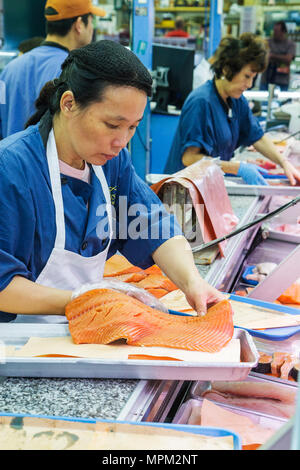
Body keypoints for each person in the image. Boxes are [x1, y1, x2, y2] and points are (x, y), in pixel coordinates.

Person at [0, 40, 224, 323]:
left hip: (85, 333)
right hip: (18, 348)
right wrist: (82, 299)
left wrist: (193, 282)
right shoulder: (11, 167)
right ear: (68, 104)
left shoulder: (110, 163)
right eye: (112, 125)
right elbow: (2, 285)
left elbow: (151, 224)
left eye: (133, 127)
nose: (122, 141)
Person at [165, 33, 300, 186]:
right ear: (226, 69)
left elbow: (257, 136)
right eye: (247, 76)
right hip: (184, 194)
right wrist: (237, 168)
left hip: (208, 187)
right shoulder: (201, 102)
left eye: (253, 78)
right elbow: (190, 158)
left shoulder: (236, 100)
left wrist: (284, 163)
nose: (249, 84)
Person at [0, 0, 106, 139]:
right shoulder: (73, 73)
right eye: (92, 21)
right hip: (49, 161)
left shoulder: (9, 70)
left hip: (10, 159)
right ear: (79, 24)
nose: (92, 28)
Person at [260, 21, 296, 92]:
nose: (274, 32)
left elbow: (288, 59)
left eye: (277, 31)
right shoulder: (267, 42)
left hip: (282, 80)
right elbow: (262, 56)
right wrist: (281, 57)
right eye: (274, 30)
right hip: (266, 78)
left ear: (283, 32)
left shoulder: (290, 44)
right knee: (263, 101)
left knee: (281, 101)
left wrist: (272, 56)